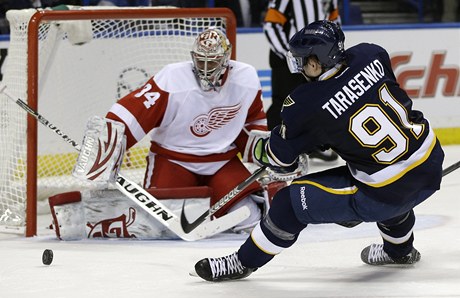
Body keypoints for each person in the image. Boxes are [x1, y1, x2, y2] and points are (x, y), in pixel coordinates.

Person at [192, 20, 445, 281]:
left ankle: (241, 262)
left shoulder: (306, 103)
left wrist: (266, 150)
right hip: (429, 164)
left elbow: (281, 160)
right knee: (386, 178)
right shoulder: (372, 53)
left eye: (302, 60)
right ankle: (399, 251)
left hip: (383, 194)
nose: (300, 67)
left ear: (316, 61)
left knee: (289, 204)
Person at [76, 28, 271, 233]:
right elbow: (134, 112)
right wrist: (104, 148)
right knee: (161, 227)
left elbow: (252, 121)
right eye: (199, 60)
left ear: (225, 59)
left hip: (222, 162)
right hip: (174, 161)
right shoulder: (173, 78)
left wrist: (266, 152)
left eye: (211, 62)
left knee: (250, 220)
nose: (204, 68)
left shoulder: (245, 78)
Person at [263, 0, 341, 161]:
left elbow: (333, 21)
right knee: (285, 102)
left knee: (315, 102)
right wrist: (292, 55)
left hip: (317, 59)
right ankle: (271, 148)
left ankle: (312, 146)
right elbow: (271, 25)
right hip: (288, 59)